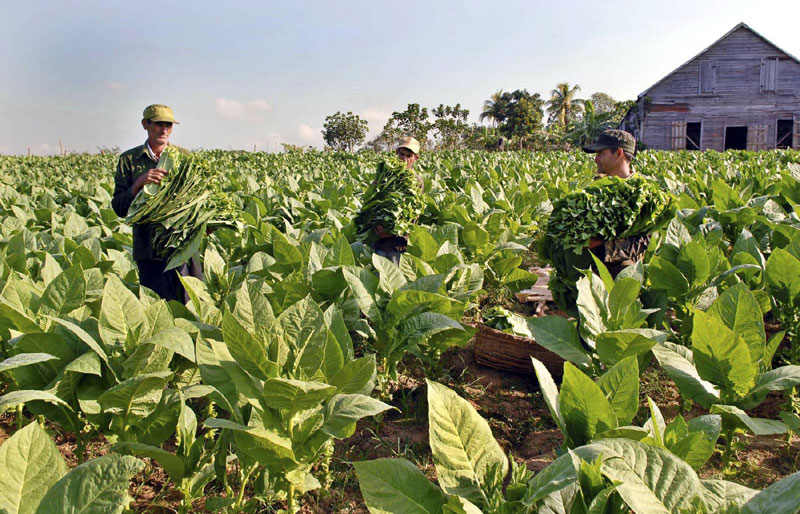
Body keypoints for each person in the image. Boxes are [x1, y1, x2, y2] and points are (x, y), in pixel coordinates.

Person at [111, 104, 202, 302]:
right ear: (145, 124)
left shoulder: (185, 158)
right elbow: (119, 207)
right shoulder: (129, 160)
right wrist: (137, 184)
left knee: (191, 308)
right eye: (158, 124)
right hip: (149, 250)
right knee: (157, 308)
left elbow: (198, 200)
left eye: (168, 125)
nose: (164, 130)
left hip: (183, 247)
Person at [582, 129, 650, 277]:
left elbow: (643, 243)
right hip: (588, 272)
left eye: (601, 153)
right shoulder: (596, 187)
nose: (596, 159)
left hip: (621, 277)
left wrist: (599, 243)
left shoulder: (643, 194)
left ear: (619, 153)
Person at [365, 136, 422, 264]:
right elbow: (371, 200)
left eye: (409, 155)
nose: (404, 159)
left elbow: (414, 214)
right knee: (381, 272)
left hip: (400, 239)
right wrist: (377, 225)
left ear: (416, 158)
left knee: (395, 274)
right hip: (379, 235)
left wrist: (393, 231)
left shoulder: (417, 182)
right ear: (397, 153)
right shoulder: (383, 176)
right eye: (402, 154)